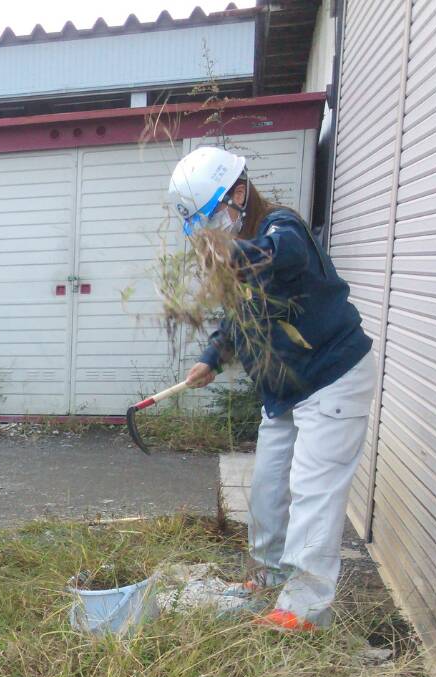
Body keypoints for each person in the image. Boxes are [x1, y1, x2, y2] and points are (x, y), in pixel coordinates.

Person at [168, 146, 375, 631]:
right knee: (265, 490)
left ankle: (304, 608)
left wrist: (228, 253)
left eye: (213, 215)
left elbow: (283, 256)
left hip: (332, 377)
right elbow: (239, 318)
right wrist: (211, 358)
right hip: (285, 389)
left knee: (312, 490)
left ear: (240, 192)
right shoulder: (240, 252)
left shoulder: (280, 230)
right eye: (203, 224)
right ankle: (266, 576)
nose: (211, 230)